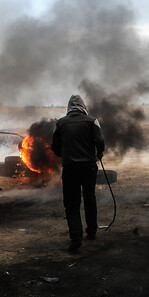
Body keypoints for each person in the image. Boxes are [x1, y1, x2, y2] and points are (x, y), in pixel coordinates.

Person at [51, 94, 106, 252]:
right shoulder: (92, 121)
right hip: (89, 167)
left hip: (70, 168)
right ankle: (92, 231)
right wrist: (99, 154)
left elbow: (55, 147)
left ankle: (76, 236)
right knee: (90, 198)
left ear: (69, 107)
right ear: (83, 106)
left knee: (71, 202)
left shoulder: (60, 123)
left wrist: (67, 155)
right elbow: (100, 141)